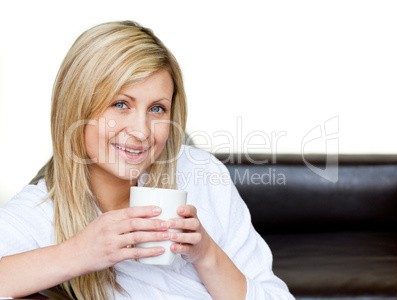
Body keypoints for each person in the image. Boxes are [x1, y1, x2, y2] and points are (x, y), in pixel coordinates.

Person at [0, 21, 294, 300]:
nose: (141, 131)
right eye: (120, 104)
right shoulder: (41, 214)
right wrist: (78, 253)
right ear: (77, 108)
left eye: (157, 109)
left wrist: (206, 253)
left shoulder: (199, 173)